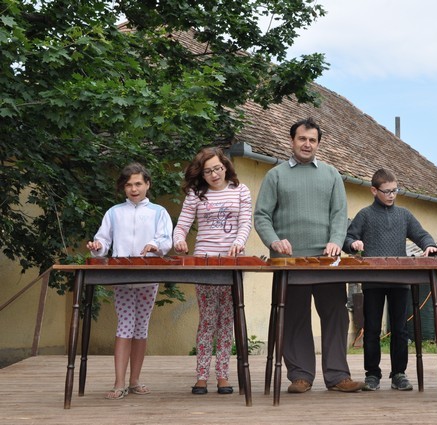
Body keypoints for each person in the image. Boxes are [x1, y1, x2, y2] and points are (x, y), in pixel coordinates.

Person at [254, 117, 365, 394]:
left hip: (326, 260)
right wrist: (274, 240)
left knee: (336, 314)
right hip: (289, 261)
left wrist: (336, 241)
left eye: (312, 140)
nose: (307, 144)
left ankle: (338, 376)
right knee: (294, 316)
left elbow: (339, 214)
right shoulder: (275, 176)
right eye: (302, 139)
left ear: (318, 144)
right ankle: (300, 376)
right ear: (292, 141)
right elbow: (262, 216)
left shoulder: (331, 175)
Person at [343, 168, 437, 392]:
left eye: (395, 190)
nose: (392, 195)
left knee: (400, 329)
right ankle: (372, 375)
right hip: (373, 280)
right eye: (386, 191)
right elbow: (348, 238)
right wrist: (353, 244)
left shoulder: (404, 215)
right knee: (372, 329)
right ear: (374, 191)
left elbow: (422, 234)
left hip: (399, 280)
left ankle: (399, 374)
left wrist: (429, 245)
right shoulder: (365, 215)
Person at [87, 162, 173, 400]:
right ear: (123, 188)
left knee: (141, 327)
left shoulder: (159, 212)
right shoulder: (114, 212)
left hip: (148, 277)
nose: (134, 189)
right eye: (128, 185)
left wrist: (155, 246)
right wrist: (97, 246)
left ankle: (134, 380)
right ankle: (119, 382)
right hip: (123, 277)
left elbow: (166, 240)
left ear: (147, 184)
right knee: (125, 325)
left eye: (138, 184)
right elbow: (103, 241)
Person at [173, 147, 253, 396]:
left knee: (226, 321)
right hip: (204, 264)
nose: (214, 174)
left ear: (226, 166)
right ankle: (201, 376)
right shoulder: (196, 194)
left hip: (230, 263)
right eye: (208, 171)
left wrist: (239, 242)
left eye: (217, 168)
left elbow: (245, 223)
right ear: (201, 174)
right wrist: (179, 240)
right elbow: (181, 226)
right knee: (207, 320)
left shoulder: (241, 190)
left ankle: (222, 375)